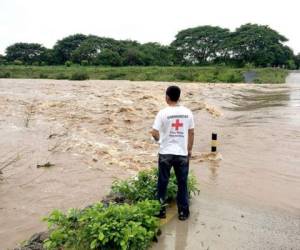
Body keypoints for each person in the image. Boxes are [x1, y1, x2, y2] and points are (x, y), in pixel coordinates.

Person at [151, 85, 194, 221]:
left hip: (165, 153)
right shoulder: (188, 112)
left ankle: (160, 211)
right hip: (182, 153)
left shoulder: (162, 113)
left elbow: (154, 132)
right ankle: (183, 212)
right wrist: (189, 149)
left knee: (162, 182)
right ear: (179, 97)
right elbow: (191, 132)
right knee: (182, 183)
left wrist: (159, 140)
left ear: (167, 97)